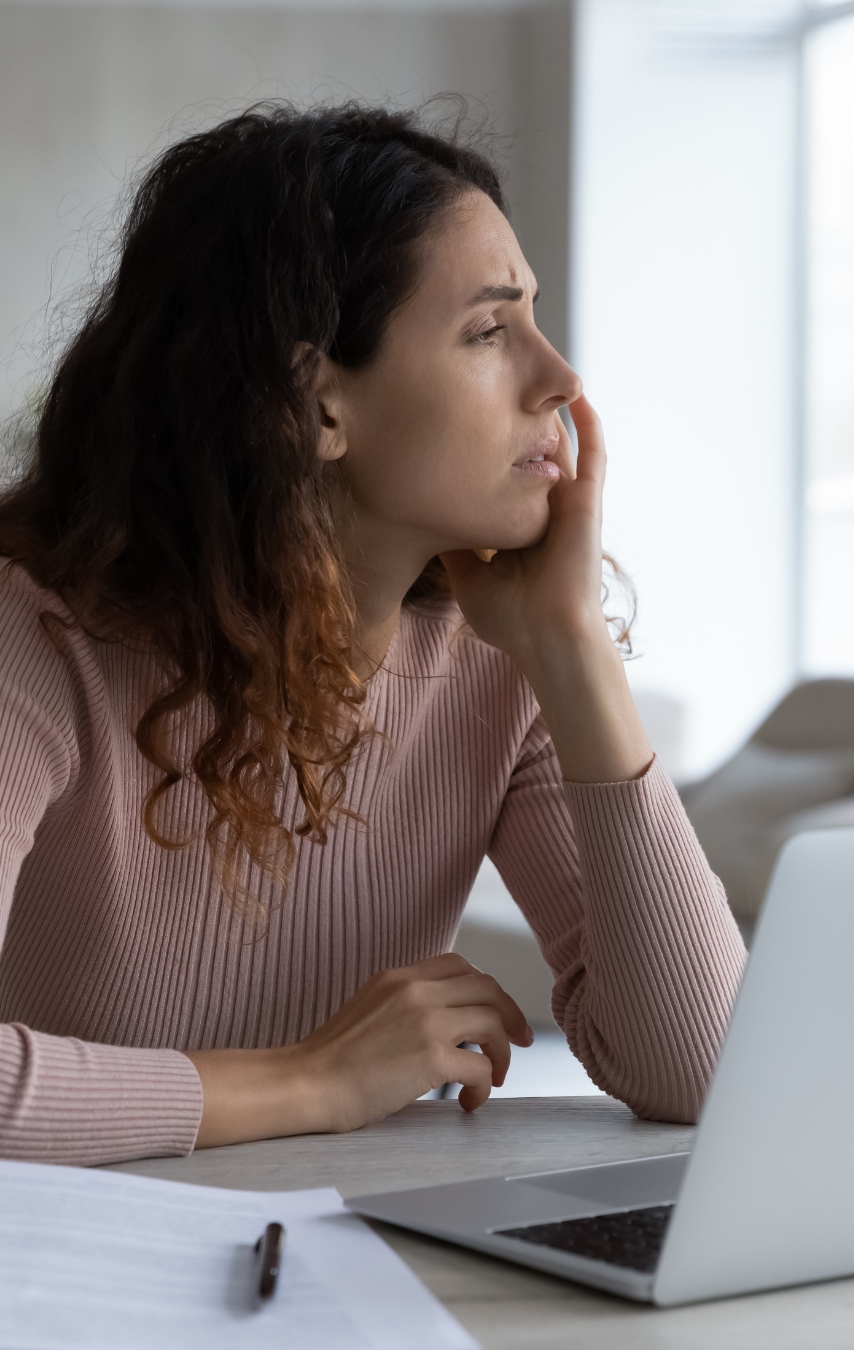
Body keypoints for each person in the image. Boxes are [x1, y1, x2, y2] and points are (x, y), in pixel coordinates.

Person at [0, 103, 746, 1166]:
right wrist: (318, 1077)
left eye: (534, 317)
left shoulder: (499, 660)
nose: (559, 379)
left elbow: (704, 1070)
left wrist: (574, 650)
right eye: (491, 331)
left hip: (377, 1271)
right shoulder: (33, 636)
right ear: (317, 408)